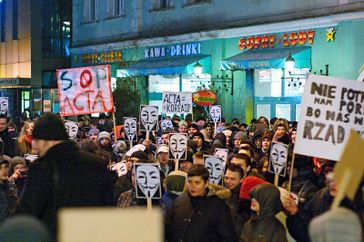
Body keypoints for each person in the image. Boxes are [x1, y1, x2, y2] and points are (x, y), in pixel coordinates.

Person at [16, 113, 114, 238]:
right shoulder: (98, 164)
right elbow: (108, 207)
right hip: (91, 235)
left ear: (46, 140)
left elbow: (28, 211)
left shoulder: (42, 168)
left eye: (36, 140)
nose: (34, 146)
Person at [165, 164, 237, 242]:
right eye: (190, 182)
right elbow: (165, 228)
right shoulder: (179, 201)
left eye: (197, 182)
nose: (193, 186)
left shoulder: (219, 207)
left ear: (206, 183)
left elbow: (228, 237)